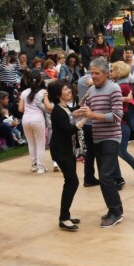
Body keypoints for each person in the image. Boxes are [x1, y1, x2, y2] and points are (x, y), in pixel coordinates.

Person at [79, 58, 124, 228]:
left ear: (106, 73)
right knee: (106, 176)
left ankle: (115, 212)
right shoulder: (91, 90)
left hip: (111, 137)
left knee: (105, 176)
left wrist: (94, 115)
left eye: (97, 73)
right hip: (96, 137)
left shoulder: (114, 89)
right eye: (92, 73)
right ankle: (116, 208)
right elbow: (87, 112)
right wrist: (80, 111)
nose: (94, 76)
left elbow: (117, 116)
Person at [47, 80, 88, 230]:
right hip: (61, 151)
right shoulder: (58, 110)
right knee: (72, 182)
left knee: (71, 181)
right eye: (65, 89)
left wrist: (81, 104)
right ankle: (64, 218)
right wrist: (86, 118)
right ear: (58, 94)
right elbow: (70, 129)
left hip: (67, 150)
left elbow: (71, 113)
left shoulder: (64, 108)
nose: (69, 90)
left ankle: (65, 215)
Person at [109, 62, 134, 187]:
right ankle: (118, 178)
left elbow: (111, 100)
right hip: (117, 123)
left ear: (118, 72)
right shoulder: (118, 84)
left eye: (112, 71)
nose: (110, 73)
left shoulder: (123, 86)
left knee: (121, 151)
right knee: (115, 152)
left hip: (122, 123)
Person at [18, 71, 52, 174]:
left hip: (26, 119)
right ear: (40, 80)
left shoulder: (24, 92)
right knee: (40, 144)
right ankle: (41, 167)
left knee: (31, 143)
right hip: (37, 119)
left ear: (28, 80)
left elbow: (20, 109)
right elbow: (48, 107)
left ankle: (34, 165)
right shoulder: (43, 92)